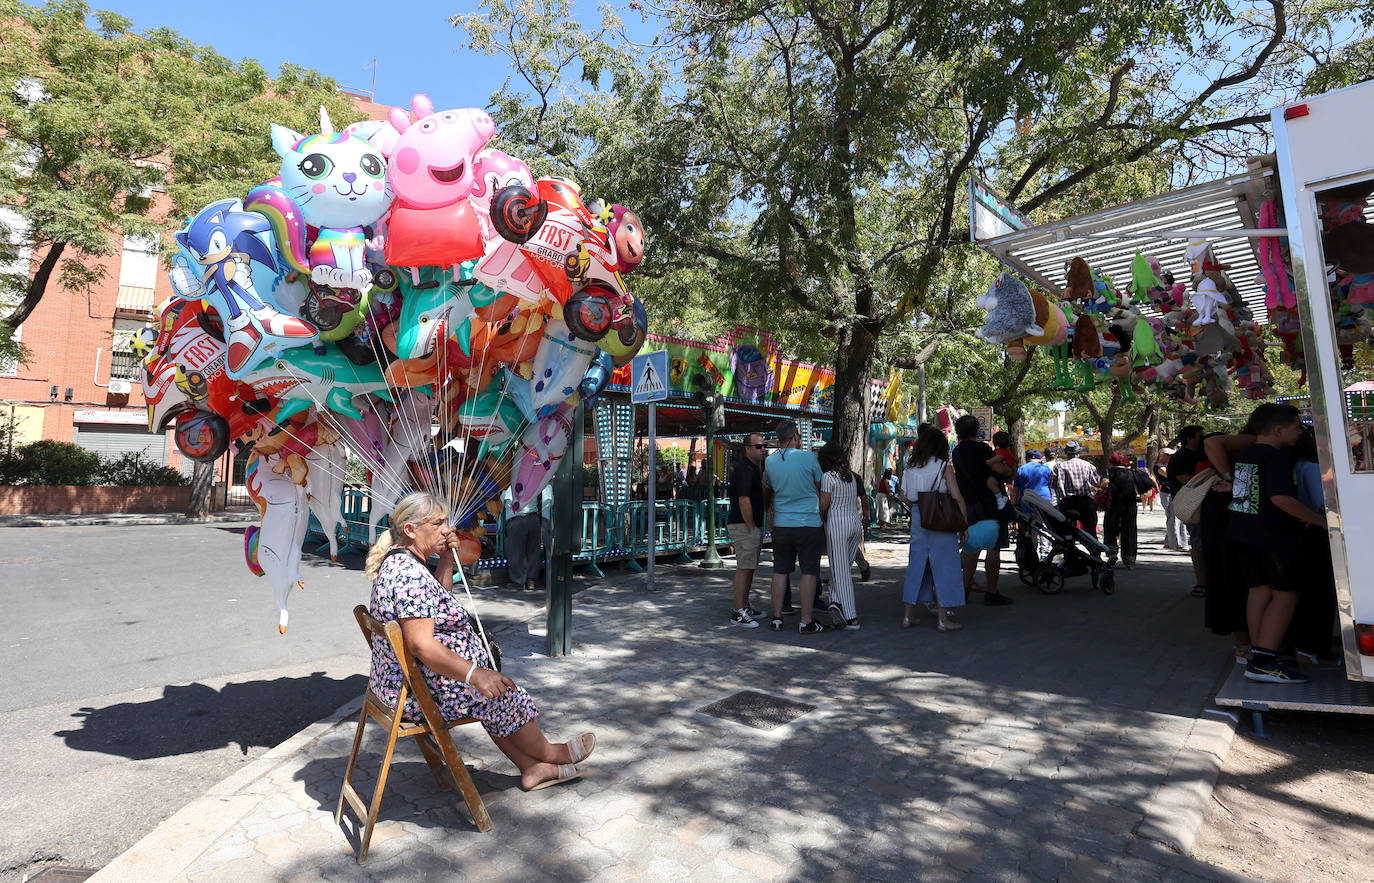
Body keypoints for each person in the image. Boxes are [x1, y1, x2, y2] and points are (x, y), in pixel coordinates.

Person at [365, 492, 594, 791]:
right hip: (414, 694)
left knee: (487, 691)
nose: (446, 529)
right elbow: (421, 645)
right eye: (437, 523)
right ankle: (552, 753)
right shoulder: (409, 576)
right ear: (410, 530)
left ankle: (532, 768)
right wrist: (476, 674)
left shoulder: (402, 563)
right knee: (500, 692)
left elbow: (440, 596)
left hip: (404, 684)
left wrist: (447, 557)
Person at [1211, 404, 1324, 684]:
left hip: (1242, 533)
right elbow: (1281, 499)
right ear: (1278, 429)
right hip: (1272, 537)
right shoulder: (1275, 458)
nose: (1299, 433)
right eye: (1296, 427)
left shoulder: (1245, 454)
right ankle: (1264, 659)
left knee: (1259, 591)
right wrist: (1323, 521)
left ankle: (1259, 656)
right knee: (1285, 595)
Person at [763, 419, 832, 633]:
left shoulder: (770, 462)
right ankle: (806, 620)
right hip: (808, 523)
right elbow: (820, 486)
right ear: (794, 437)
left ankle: (776, 617)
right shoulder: (809, 458)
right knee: (809, 571)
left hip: (782, 524)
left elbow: (769, 486)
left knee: (780, 571)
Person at [901, 426, 968, 630]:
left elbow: (904, 495)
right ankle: (942, 619)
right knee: (944, 568)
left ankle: (907, 616)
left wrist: (917, 505)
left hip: (918, 518)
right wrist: (964, 525)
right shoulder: (944, 467)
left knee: (916, 567)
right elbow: (956, 497)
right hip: (941, 519)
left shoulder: (910, 468)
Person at [951, 414, 1015, 605]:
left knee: (972, 547)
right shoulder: (983, 448)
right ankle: (992, 592)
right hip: (989, 503)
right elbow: (1003, 470)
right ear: (976, 430)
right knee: (993, 548)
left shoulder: (957, 451)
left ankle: (964, 588)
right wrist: (1010, 470)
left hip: (970, 503)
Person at [818, 442, 868, 629]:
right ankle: (835, 603)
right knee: (841, 569)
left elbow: (823, 505)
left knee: (841, 573)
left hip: (837, 525)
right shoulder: (851, 477)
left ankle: (851, 616)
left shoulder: (828, 477)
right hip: (854, 525)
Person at [726, 432, 768, 628]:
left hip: (750, 525)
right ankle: (738, 611)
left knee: (749, 566)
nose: (763, 449)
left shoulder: (753, 468)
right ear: (748, 448)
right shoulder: (744, 469)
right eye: (758, 446)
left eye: (764, 446)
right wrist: (751, 527)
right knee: (744, 567)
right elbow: (744, 500)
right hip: (744, 525)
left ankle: (745, 605)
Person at [1167, 426, 1207, 590]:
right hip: (1193, 506)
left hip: (1202, 504)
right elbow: (1186, 480)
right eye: (1199, 436)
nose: (1202, 439)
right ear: (1189, 439)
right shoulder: (1180, 457)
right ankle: (1202, 583)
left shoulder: (1200, 453)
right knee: (1199, 543)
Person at [1050, 440, 1102, 535]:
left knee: (1067, 533)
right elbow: (1096, 482)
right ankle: (1093, 549)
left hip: (1067, 503)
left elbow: (1052, 485)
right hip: (1086, 502)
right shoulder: (1088, 465)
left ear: (1066, 453)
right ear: (1078, 453)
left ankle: (1070, 548)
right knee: (1090, 532)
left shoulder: (1059, 466)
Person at [1012, 449, 1054, 560]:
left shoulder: (1021, 469)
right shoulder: (1045, 469)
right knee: (1045, 527)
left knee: (1032, 528)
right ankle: (1044, 553)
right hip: (1044, 502)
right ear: (1040, 459)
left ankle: (1032, 553)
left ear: (1027, 459)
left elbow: (1015, 489)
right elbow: (1052, 485)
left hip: (1027, 502)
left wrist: (1014, 503)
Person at [1102, 451, 1140, 567]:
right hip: (1130, 504)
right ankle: (1129, 558)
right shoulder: (1131, 472)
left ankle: (1112, 553)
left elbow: (1103, 485)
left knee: (1110, 528)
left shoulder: (1108, 472)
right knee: (1129, 530)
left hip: (1113, 504)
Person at [502, 486, 542, 591]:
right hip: (533, 519)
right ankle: (531, 581)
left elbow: (502, 501)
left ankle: (518, 581)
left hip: (517, 520)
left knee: (515, 552)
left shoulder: (510, 487)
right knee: (533, 551)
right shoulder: (532, 484)